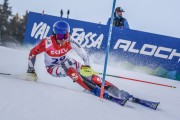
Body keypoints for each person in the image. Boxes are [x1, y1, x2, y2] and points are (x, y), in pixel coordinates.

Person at [27, 20, 132, 101]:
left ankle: (116, 91)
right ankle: (95, 90)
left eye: (65, 35)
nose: (63, 39)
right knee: (70, 70)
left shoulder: (71, 41)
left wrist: (87, 70)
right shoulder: (47, 43)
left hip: (67, 61)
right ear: (54, 35)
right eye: (60, 36)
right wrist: (30, 70)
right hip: (52, 68)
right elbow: (32, 53)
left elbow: (85, 56)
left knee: (92, 76)